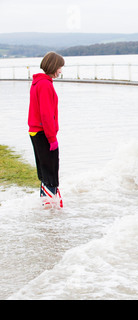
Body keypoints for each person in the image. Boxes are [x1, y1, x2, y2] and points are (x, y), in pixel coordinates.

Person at [28, 52, 65, 209]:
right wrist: (52, 139)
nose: (60, 71)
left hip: (37, 132)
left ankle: (46, 207)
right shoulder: (44, 85)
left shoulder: (39, 82)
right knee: (50, 172)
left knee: (45, 171)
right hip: (43, 133)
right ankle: (50, 211)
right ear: (53, 66)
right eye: (60, 67)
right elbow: (46, 114)